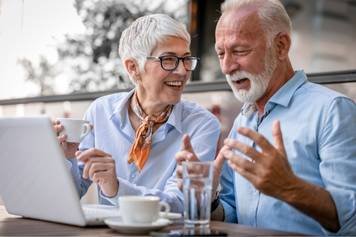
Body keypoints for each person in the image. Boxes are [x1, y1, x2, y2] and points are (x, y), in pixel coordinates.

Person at [176, 0, 356, 235]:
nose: (228, 66)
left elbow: (351, 222)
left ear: (281, 46)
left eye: (240, 51)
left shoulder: (333, 110)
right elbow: (232, 213)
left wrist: (289, 188)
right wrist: (208, 198)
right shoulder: (244, 119)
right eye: (221, 53)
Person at [54, 14, 220, 213]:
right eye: (168, 60)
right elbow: (70, 196)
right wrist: (65, 160)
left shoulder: (202, 125)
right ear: (133, 68)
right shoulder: (100, 111)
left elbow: (180, 206)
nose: (183, 71)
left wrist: (116, 188)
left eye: (186, 59)